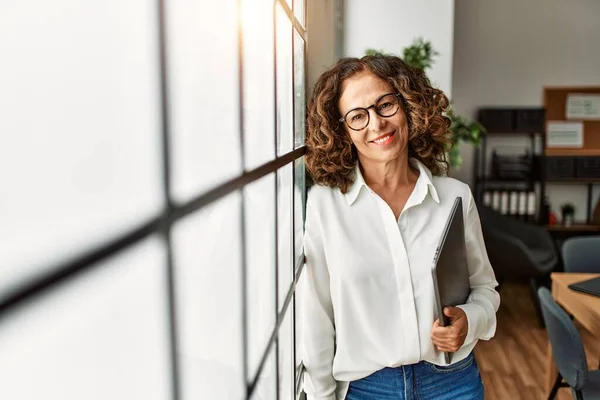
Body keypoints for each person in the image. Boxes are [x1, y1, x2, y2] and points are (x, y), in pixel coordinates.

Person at [300, 55, 500, 400]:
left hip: (453, 384)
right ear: (342, 131)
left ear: (408, 106)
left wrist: (469, 320)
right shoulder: (324, 205)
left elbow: (486, 289)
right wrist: (321, 395)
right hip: (366, 389)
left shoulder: (455, 197)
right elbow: (316, 314)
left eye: (385, 104)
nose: (376, 124)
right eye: (358, 116)